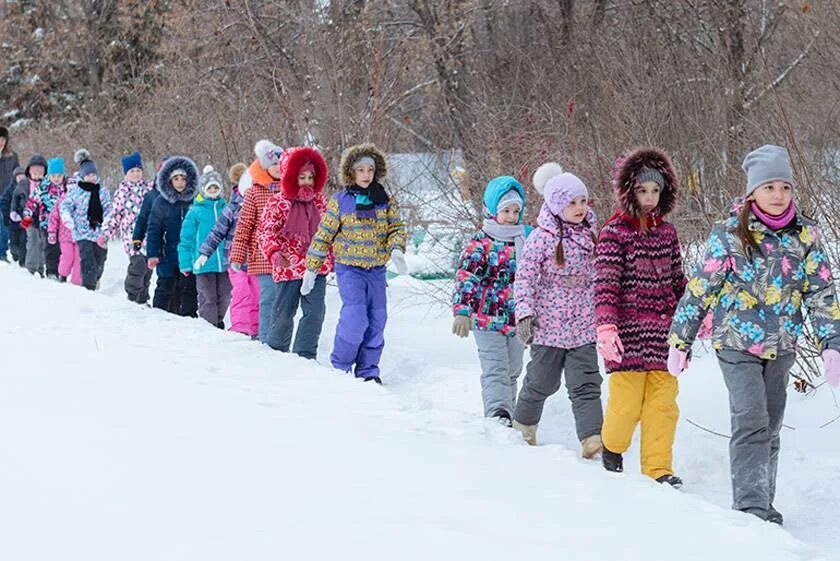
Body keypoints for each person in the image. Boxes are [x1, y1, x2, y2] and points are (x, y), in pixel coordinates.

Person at [668, 144, 840, 524]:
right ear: (752, 192)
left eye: (785, 187)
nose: (778, 195)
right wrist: (681, 338)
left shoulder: (806, 235)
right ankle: (750, 509)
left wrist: (832, 342)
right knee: (751, 418)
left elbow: (821, 291)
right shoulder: (730, 232)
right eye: (769, 187)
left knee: (771, 424)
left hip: (782, 344)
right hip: (735, 341)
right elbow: (702, 287)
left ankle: (763, 502)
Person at [595, 147, 686, 487]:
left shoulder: (668, 233)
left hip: (664, 336)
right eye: (642, 191)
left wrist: (694, 314)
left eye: (656, 191)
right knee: (626, 406)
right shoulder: (614, 233)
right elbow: (605, 285)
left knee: (663, 407)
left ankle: (658, 469)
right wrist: (606, 325)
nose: (649, 198)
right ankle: (612, 445)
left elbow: (678, 280)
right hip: (627, 337)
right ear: (628, 192)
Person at [512, 168, 603, 457]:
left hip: (583, 326)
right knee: (541, 381)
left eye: (582, 201)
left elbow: (603, 273)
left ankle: (592, 437)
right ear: (555, 205)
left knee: (586, 383)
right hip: (549, 326)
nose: (579, 208)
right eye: (571, 203)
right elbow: (525, 278)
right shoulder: (541, 238)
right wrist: (525, 314)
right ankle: (524, 426)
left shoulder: (592, 236)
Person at [305, 143, 407, 384]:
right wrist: (312, 267)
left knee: (377, 319)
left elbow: (396, 228)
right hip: (350, 269)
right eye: (360, 170)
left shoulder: (385, 200)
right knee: (356, 317)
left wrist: (396, 249)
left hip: (376, 270)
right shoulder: (340, 200)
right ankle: (341, 365)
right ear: (351, 172)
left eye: (370, 170)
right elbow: (324, 234)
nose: (365, 175)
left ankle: (368, 369)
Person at [451, 175, 529, 422]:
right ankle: (498, 413)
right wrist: (462, 311)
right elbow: (466, 277)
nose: (511, 216)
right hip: (485, 319)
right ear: (492, 210)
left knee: (513, 370)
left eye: (516, 211)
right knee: (496, 369)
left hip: (517, 320)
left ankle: (510, 411)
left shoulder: (525, 239)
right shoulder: (481, 243)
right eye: (506, 210)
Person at [258, 146, 332, 358]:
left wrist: (332, 256)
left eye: (311, 177)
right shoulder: (278, 203)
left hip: (315, 267)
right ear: (290, 176)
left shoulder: (320, 202)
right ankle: (277, 351)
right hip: (288, 266)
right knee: (284, 313)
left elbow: (329, 231)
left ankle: (305, 354)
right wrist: (273, 252)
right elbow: (266, 231)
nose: (307, 181)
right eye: (302, 177)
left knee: (315, 312)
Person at [229, 140, 285, 342]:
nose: (278, 168)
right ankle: (265, 339)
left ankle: (279, 339)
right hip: (261, 257)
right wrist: (237, 254)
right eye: (274, 164)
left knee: (283, 300)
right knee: (268, 296)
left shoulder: (289, 191)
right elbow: (244, 226)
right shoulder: (254, 192)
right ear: (264, 166)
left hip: (286, 257)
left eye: (281, 164)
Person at [197, 163, 260, 337]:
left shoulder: (261, 207)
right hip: (235, 261)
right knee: (241, 293)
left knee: (256, 294)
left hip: (256, 261)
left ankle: (256, 329)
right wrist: (205, 252)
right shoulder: (231, 209)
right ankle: (240, 328)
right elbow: (217, 232)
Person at [146, 156, 200, 316]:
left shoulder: (195, 201)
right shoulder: (161, 202)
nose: (180, 182)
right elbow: (154, 229)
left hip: (189, 255)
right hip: (167, 255)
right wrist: (153, 254)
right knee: (165, 288)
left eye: (183, 178)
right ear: (169, 180)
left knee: (188, 290)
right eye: (176, 178)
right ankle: (158, 318)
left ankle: (189, 319)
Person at [179, 166, 231, 327]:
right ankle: (210, 326)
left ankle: (218, 321)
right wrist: (186, 262)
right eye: (210, 187)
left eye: (216, 187)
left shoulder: (227, 209)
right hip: (202, 263)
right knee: (208, 297)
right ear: (203, 189)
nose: (213, 190)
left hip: (224, 262)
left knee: (225, 295)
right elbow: (186, 239)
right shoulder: (195, 211)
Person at [104, 151, 155, 304]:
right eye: (132, 171)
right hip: (132, 235)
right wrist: (107, 232)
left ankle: (142, 298)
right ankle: (132, 294)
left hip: (149, 235)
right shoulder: (122, 192)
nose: (136, 174)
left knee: (148, 269)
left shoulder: (149, 188)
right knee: (138, 264)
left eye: (138, 170)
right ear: (126, 174)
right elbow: (116, 214)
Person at [59, 154, 112, 290]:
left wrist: (108, 222)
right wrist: (67, 218)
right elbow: (65, 205)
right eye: (88, 175)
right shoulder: (76, 191)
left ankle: (96, 278)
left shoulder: (102, 191)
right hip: (82, 232)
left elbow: (108, 208)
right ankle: (89, 287)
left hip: (99, 233)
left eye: (94, 174)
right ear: (82, 176)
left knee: (100, 259)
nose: (92, 177)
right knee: (87, 260)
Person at [0, 126, 20, 260]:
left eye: (2, 139)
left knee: (6, 224)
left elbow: (17, 173)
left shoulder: (12, 156)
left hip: (7, 196)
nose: (0, 142)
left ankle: (4, 251)